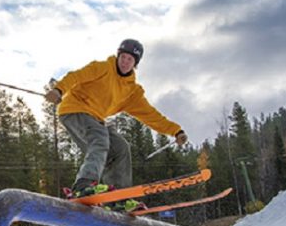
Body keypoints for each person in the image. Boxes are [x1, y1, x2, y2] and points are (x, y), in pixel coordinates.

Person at [46, 39, 187, 206]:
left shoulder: (132, 92)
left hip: (95, 119)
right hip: (74, 109)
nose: (125, 62)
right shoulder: (103, 68)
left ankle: (118, 198)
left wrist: (175, 131)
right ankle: (83, 184)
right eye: (123, 57)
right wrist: (58, 89)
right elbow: (76, 76)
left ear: (135, 64)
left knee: (120, 147)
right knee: (99, 138)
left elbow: (151, 115)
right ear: (118, 56)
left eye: (130, 60)